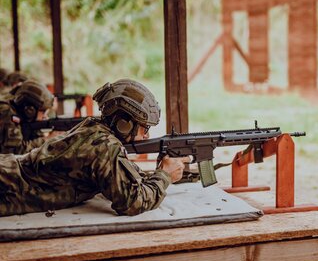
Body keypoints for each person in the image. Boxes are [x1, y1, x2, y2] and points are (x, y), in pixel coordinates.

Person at [0, 79, 188, 217]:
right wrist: (164, 175)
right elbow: (132, 202)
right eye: (144, 127)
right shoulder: (105, 146)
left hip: (9, 171)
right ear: (124, 123)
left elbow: (124, 176)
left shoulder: (92, 126)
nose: (146, 135)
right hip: (8, 188)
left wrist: (168, 170)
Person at [0, 79, 54, 154]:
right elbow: (15, 152)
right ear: (30, 110)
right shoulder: (6, 113)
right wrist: (48, 140)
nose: (46, 117)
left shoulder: (20, 112)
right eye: (43, 112)